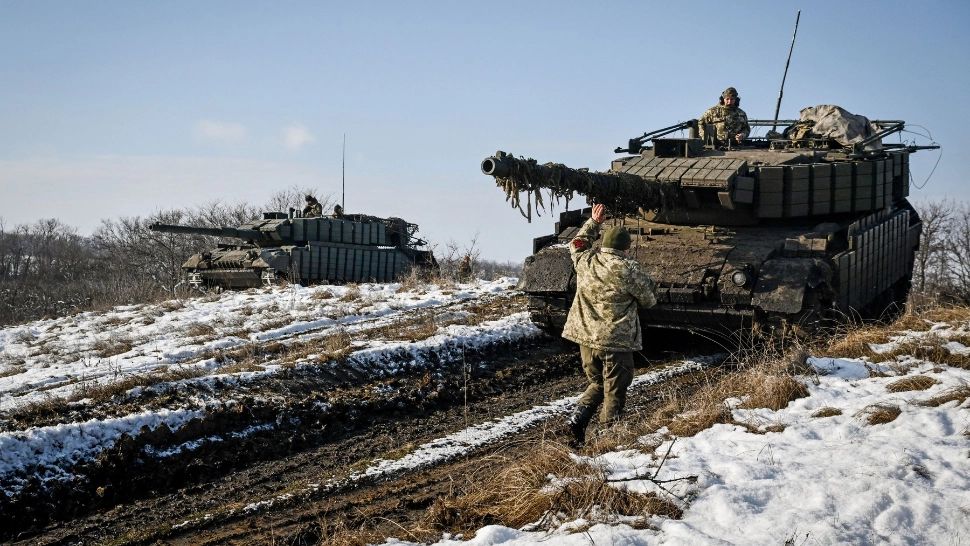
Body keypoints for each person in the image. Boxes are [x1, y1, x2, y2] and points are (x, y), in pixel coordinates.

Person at [562, 204, 657, 448]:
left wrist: (594, 222)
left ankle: (577, 420)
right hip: (615, 340)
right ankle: (609, 439)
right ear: (626, 248)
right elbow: (649, 300)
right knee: (615, 388)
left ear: (604, 243)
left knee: (598, 382)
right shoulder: (629, 269)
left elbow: (577, 243)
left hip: (585, 338)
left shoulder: (586, 261)